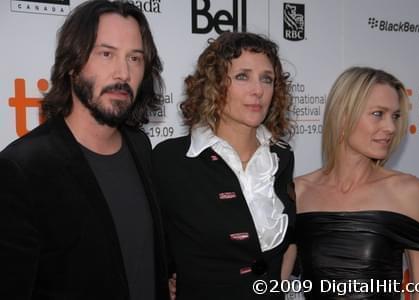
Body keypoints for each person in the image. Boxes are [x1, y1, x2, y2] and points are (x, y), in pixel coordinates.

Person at [0, 1, 169, 299]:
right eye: (106, 54)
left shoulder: (140, 146)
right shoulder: (23, 168)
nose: (123, 72)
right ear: (73, 65)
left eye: (135, 58)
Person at [152, 32, 296, 300]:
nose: (258, 90)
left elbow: (289, 244)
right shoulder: (171, 160)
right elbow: (151, 244)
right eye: (243, 76)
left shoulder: (281, 158)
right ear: (215, 84)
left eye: (267, 79)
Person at [294, 67, 419, 299]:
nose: (391, 127)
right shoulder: (298, 192)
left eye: (395, 116)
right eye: (378, 114)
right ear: (343, 116)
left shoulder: (408, 192)